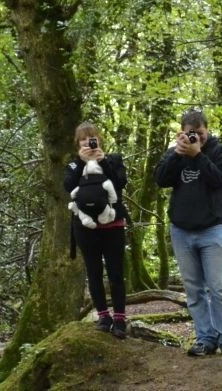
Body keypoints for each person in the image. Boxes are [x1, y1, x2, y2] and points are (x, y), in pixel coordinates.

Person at [154, 110, 222, 356]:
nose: (197, 138)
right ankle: (205, 338)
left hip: (212, 229)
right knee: (194, 290)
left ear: (207, 130)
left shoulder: (220, 151)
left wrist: (199, 155)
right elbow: (161, 179)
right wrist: (177, 154)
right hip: (181, 231)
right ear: (183, 132)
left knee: (219, 288)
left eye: (201, 134)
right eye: (191, 134)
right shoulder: (175, 152)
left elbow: (218, 179)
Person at [64, 122, 130, 339]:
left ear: (100, 140)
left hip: (113, 226)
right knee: (93, 271)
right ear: (77, 144)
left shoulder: (113, 160)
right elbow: (68, 186)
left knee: (116, 272)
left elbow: (120, 182)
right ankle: (103, 316)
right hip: (85, 227)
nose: (88, 142)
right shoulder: (74, 165)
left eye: (92, 138)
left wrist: (104, 162)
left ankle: (120, 318)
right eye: (83, 139)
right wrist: (83, 163)